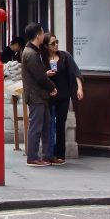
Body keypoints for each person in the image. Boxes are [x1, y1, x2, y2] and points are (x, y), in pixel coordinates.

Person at [44, 34, 84, 165]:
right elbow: (37, 75)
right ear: (46, 46)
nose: (56, 45)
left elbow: (75, 71)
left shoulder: (64, 56)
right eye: (53, 43)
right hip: (49, 96)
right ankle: (48, 153)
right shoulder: (43, 58)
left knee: (60, 124)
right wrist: (46, 74)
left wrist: (79, 88)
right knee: (49, 124)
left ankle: (60, 154)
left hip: (63, 95)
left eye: (57, 42)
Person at [21, 22, 57, 167]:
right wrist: (52, 87)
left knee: (46, 125)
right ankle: (32, 156)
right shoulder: (31, 53)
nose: (44, 35)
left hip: (40, 95)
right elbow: (40, 77)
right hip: (36, 95)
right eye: (42, 33)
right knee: (36, 127)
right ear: (37, 35)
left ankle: (47, 155)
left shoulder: (33, 52)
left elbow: (40, 74)